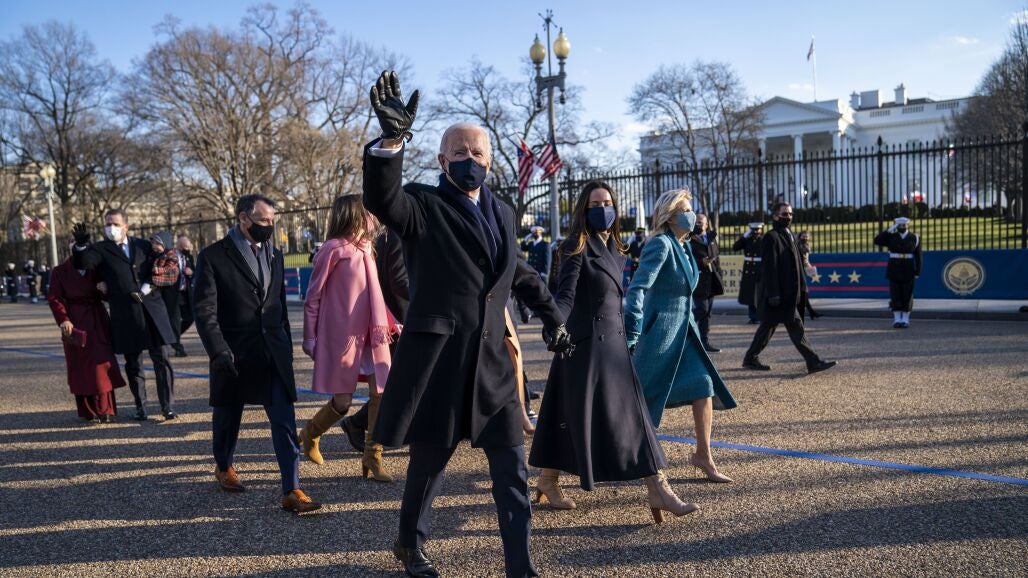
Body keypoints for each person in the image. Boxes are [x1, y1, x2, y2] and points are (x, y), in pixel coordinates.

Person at [362, 71, 572, 578]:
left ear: (490, 160)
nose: (469, 159)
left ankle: (520, 567)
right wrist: (390, 142)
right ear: (442, 160)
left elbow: (516, 273)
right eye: (459, 151)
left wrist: (553, 317)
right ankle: (409, 544)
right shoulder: (422, 204)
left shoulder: (502, 212)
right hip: (441, 363)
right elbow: (383, 200)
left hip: (493, 366)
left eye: (478, 152)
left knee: (511, 471)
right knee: (429, 466)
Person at [529, 180, 697, 522]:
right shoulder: (576, 246)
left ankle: (548, 478)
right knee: (621, 416)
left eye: (607, 203)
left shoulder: (617, 249)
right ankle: (657, 487)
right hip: (587, 346)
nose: (602, 209)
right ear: (584, 209)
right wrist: (554, 325)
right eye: (595, 204)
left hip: (615, 344)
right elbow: (565, 295)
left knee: (576, 412)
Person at [192, 193, 321, 514]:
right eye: (264, 220)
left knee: (284, 419)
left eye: (272, 220)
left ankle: (292, 488)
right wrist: (217, 350)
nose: (269, 225)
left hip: (272, 351)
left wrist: (286, 346)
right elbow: (205, 310)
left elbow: (277, 305)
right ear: (243, 218)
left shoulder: (275, 254)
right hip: (233, 352)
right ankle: (224, 465)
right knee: (228, 416)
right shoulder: (213, 256)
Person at [626, 188, 739, 485]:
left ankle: (704, 455)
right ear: (670, 216)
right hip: (660, 335)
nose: (692, 215)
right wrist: (633, 327)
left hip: (686, 332)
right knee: (639, 399)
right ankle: (609, 454)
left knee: (704, 385)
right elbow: (637, 289)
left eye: (691, 209)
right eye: (686, 211)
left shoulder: (685, 245)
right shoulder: (660, 244)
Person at [298, 194, 399, 483]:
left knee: (381, 393)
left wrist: (392, 321)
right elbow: (313, 297)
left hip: (373, 334)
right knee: (342, 402)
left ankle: (373, 456)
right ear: (354, 215)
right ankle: (311, 433)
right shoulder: (333, 249)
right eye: (369, 212)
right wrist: (310, 337)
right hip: (343, 336)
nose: (374, 217)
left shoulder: (368, 248)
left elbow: (373, 294)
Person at [72, 210, 177, 421]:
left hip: (152, 310)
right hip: (125, 313)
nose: (111, 227)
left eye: (115, 223)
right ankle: (141, 407)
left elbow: (165, 264)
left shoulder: (144, 245)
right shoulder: (100, 248)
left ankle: (167, 407)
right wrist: (80, 246)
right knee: (134, 364)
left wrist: (152, 284)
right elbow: (84, 263)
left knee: (162, 360)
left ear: (126, 226)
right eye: (107, 223)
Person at [742, 202, 837, 374]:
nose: (788, 217)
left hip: (790, 291)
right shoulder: (771, 237)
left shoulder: (789, 234)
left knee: (768, 327)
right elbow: (769, 268)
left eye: (790, 214)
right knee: (795, 326)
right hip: (780, 294)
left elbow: (796, 262)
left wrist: (802, 286)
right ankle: (813, 362)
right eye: (784, 214)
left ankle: (750, 358)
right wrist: (774, 294)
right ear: (775, 216)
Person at [338, 226, 409, 454]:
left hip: (393, 318)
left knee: (400, 382)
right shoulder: (397, 236)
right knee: (400, 383)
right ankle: (358, 423)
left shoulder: (391, 235)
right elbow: (398, 280)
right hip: (399, 319)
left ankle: (365, 425)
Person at [47, 236, 126, 423]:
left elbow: (111, 293)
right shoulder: (60, 271)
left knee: (101, 365)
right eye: (73, 243)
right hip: (74, 322)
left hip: (97, 320)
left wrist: (105, 289)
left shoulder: (96, 268)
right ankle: (88, 410)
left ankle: (105, 409)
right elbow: (54, 298)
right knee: (80, 366)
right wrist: (64, 320)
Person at [874, 217, 922, 328]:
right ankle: (897, 319)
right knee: (895, 294)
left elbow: (919, 256)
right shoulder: (891, 237)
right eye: (899, 225)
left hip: (908, 268)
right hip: (894, 268)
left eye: (903, 225)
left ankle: (905, 319)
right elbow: (877, 240)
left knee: (907, 294)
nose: (902, 227)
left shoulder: (914, 237)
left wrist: (918, 271)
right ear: (896, 226)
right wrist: (888, 230)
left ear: (907, 225)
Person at [689, 214, 724, 353]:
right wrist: (700, 262)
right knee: (702, 309)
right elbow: (687, 259)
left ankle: (704, 342)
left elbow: (717, 258)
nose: (698, 225)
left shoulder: (712, 238)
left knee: (708, 313)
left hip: (712, 279)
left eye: (700, 222)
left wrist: (719, 275)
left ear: (706, 225)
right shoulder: (689, 239)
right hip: (699, 280)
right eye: (696, 222)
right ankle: (685, 326)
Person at [732, 222, 763, 324]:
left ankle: (759, 316)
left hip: (759, 268)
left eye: (758, 229)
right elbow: (735, 247)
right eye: (754, 230)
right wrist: (743, 237)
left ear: (761, 230)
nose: (756, 232)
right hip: (748, 269)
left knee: (758, 294)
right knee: (750, 294)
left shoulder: (763, 240)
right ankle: (752, 316)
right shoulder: (747, 240)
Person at [172, 234, 196, 357]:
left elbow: (195, 272)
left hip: (186, 293)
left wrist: (191, 273)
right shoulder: (171, 256)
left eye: (188, 247)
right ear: (179, 246)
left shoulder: (189, 257)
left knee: (190, 318)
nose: (187, 249)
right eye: (185, 247)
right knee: (175, 321)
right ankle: (178, 348)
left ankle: (171, 337)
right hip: (174, 294)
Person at [796, 231, 821, 320]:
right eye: (803, 236)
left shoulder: (806, 246)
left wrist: (810, 268)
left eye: (807, 237)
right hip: (798, 270)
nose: (805, 238)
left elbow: (806, 260)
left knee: (803, 292)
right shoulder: (798, 245)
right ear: (800, 237)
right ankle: (811, 312)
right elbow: (802, 260)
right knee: (804, 291)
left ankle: (811, 312)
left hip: (803, 270)